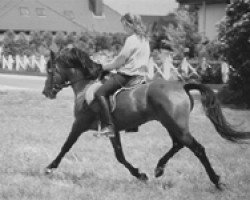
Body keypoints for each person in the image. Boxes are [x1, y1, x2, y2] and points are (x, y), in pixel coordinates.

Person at [93, 13, 150, 137]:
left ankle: (108, 126)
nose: (124, 28)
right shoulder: (145, 39)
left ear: (130, 25)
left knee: (100, 93)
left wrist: (103, 66)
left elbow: (119, 61)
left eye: (124, 25)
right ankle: (132, 124)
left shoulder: (131, 39)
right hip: (141, 77)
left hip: (128, 76)